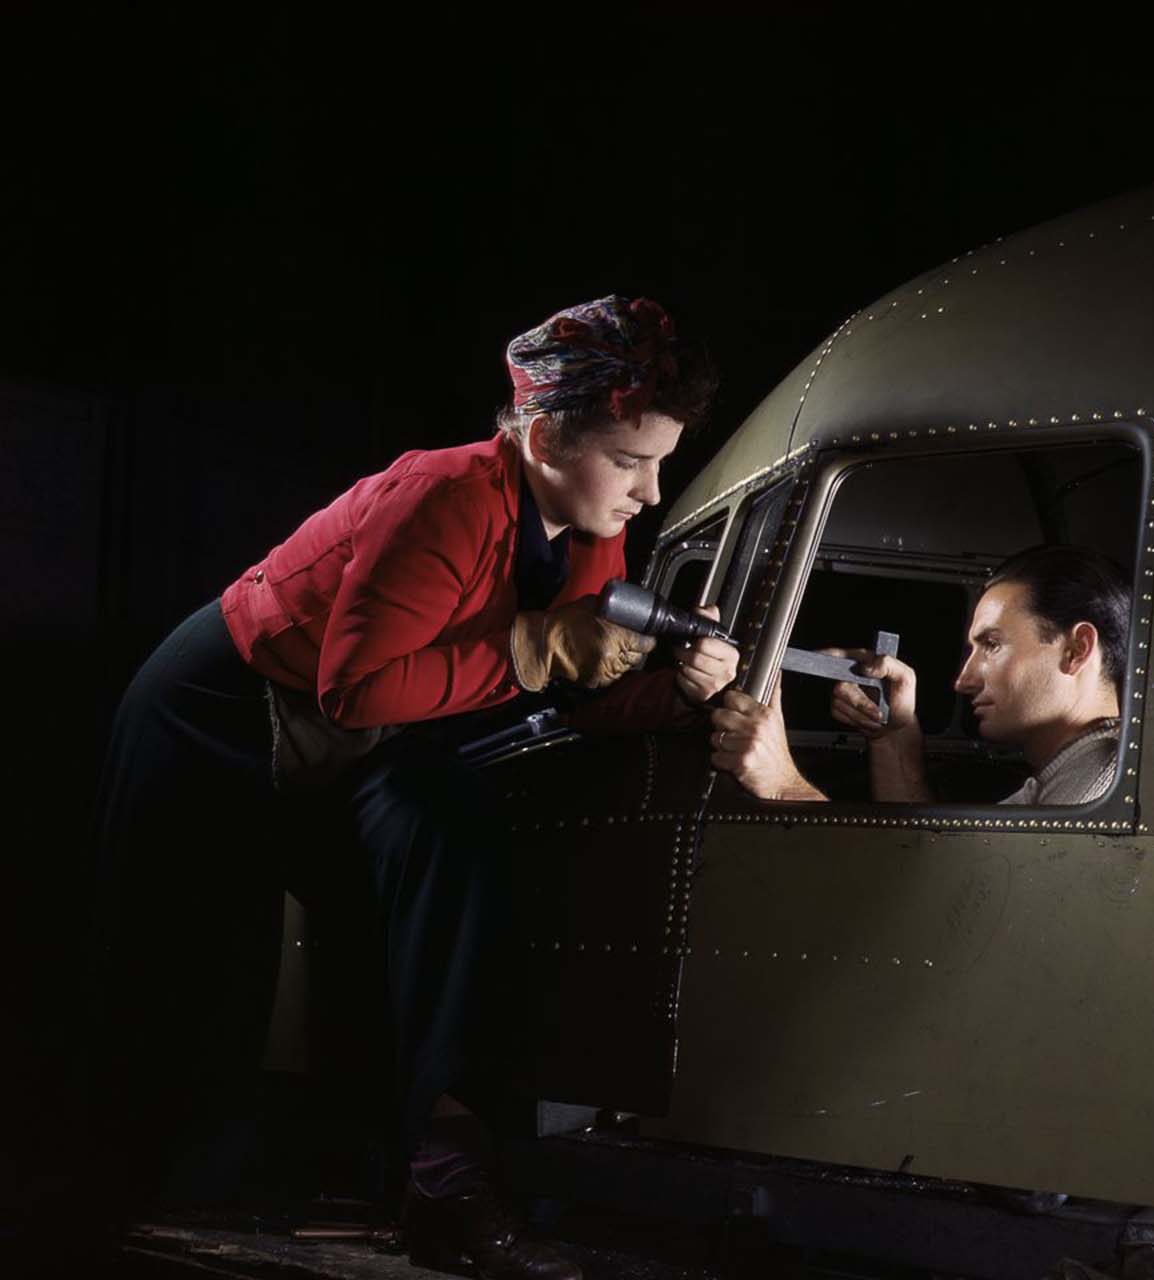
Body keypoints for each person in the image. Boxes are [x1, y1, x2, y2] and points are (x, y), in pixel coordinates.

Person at [86, 295, 739, 1280]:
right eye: (631, 460)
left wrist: (672, 692)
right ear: (543, 431)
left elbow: (575, 687)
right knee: (198, 976)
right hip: (216, 714)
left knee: (446, 850)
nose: (650, 492)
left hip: (351, 736)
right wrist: (536, 647)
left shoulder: (590, 527)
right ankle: (125, 1211)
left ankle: (430, 1175)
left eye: (661, 461)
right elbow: (358, 687)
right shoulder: (443, 493)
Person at [709, 544, 1154, 1279]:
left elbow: (944, 923)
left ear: (1078, 647)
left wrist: (783, 784)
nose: (963, 678)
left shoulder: (1116, 786)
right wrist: (896, 738)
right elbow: (945, 870)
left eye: (990, 645)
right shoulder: (1073, 778)